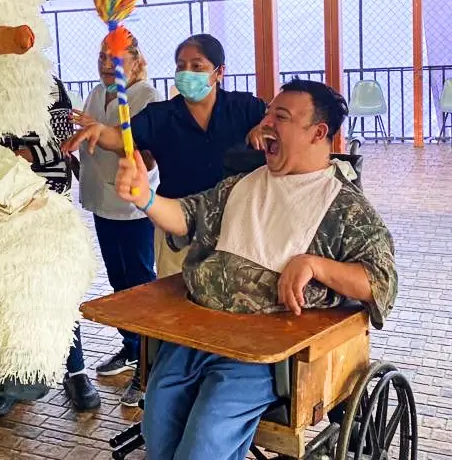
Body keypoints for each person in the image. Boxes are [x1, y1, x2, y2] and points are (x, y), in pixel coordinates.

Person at [114, 79, 398, 460]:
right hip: (196, 333)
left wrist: (314, 264)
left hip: (256, 355)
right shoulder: (240, 185)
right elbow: (186, 217)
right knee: (157, 428)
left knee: (203, 447)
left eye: (280, 117)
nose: (266, 124)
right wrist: (145, 197)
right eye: (268, 114)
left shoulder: (345, 208)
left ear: (318, 133)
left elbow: (381, 281)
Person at [64, 34, 266, 279]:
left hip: (235, 225)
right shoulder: (161, 115)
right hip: (177, 226)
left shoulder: (244, 107)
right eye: (181, 66)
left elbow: (279, 119)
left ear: (219, 72)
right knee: (175, 299)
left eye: (196, 66)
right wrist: (100, 131)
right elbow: (120, 137)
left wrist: (265, 125)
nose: (186, 72)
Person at [0, 76, 101, 419]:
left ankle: (75, 372)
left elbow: (66, 138)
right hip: (0, 201)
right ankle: (8, 380)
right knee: (5, 291)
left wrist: (28, 154)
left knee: (57, 288)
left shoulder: (46, 83)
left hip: (47, 198)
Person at [76, 32, 161, 407]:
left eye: (116, 58)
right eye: (102, 57)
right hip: (101, 202)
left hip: (132, 207)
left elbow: (150, 154)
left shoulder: (146, 97)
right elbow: (89, 140)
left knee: (141, 283)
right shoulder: (97, 94)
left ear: (135, 60)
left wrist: (108, 139)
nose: (107, 64)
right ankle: (130, 347)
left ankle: (150, 364)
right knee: (118, 282)